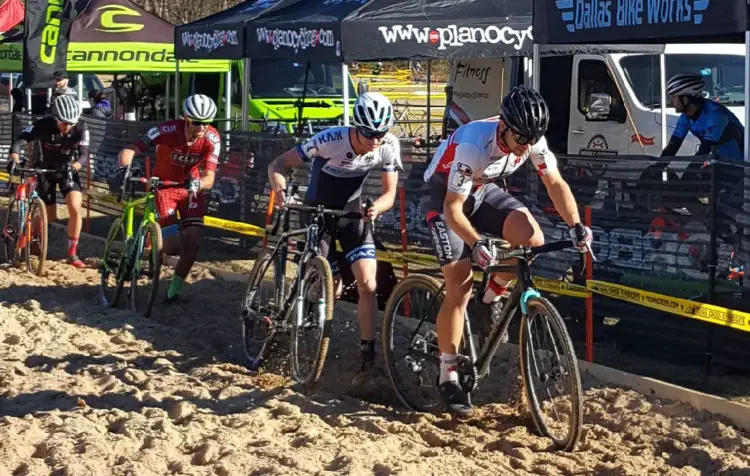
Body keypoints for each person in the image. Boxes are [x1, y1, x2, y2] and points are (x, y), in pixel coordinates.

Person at [422, 85, 593, 416]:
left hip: (482, 190)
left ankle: (490, 299)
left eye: (531, 141)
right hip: (445, 196)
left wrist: (575, 225)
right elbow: (454, 209)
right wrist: (476, 243)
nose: (525, 148)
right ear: (504, 125)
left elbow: (555, 183)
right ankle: (448, 374)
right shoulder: (474, 144)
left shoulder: (531, 140)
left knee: (533, 241)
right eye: (521, 140)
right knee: (459, 284)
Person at [267, 91, 400, 384]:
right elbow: (277, 164)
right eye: (368, 134)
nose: (375, 141)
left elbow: (390, 193)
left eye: (381, 133)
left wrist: (376, 207)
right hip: (317, 212)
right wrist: (280, 190)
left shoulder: (388, 145)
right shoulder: (330, 139)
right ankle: (304, 319)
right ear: (356, 126)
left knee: (369, 283)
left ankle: (368, 355)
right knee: (329, 286)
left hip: (353, 215)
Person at [116, 93, 220, 302]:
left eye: (207, 123)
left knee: (193, 242)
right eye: (197, 123)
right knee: (171, 238)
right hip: (163, 185)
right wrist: (125, 167)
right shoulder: (166, 129)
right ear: (186, 118)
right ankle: (146, 253)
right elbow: (132, 148)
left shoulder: (212, 138)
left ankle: (174, 291)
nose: (202, 128)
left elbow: (210, 177)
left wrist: (199, 184)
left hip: (190, 186)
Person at [7, 95, 90, 268]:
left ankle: (72, 253)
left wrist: (74, 167)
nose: (67, 127)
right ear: (55, 118)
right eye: (63, 123)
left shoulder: (81, 127)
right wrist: (14, 158)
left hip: (67, 169)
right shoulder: (43, 124)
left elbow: (84, 155)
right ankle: (35, 237)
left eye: (70, 124)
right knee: (49, 215)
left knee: (75, 207)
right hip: (44, 170)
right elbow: (19, 142)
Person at [661, 73, 744, 160]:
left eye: (673, 98)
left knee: (694, 171)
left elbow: (704, 151)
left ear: (685, 100)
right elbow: (673, 145)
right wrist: (656, 167)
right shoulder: (686, 116)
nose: (671, 102)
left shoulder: (716, 115)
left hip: (741, 164)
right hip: (721, 161)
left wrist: (690, 172)